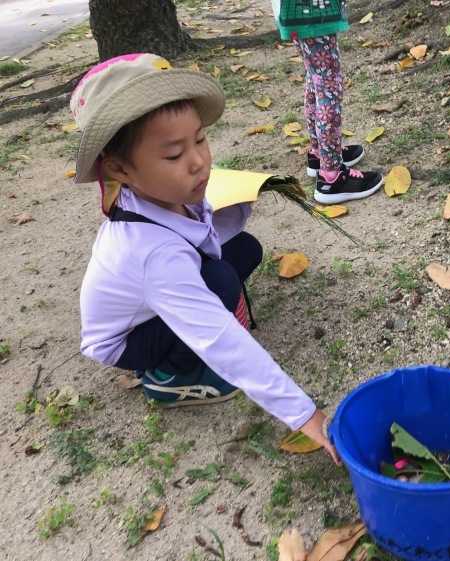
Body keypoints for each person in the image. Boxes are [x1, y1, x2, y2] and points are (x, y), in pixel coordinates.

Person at [69, 53, 339, 464]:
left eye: (200, 139)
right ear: (121, 168)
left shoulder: (161, 194)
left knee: (244, 249)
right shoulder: (153, 254)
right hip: (128, 340)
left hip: (158, 291)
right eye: (174, 156)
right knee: (221, 282)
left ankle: (182, 338)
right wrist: (306, 415)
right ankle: (170, 376)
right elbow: (218, 336)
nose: (198, 162)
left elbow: (200, 234)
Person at [270, 0, 383, 204]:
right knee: (328, 84)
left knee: (315, 77)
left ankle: (320, 154)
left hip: (294, 10)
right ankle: (331, 176)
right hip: (313, 11)